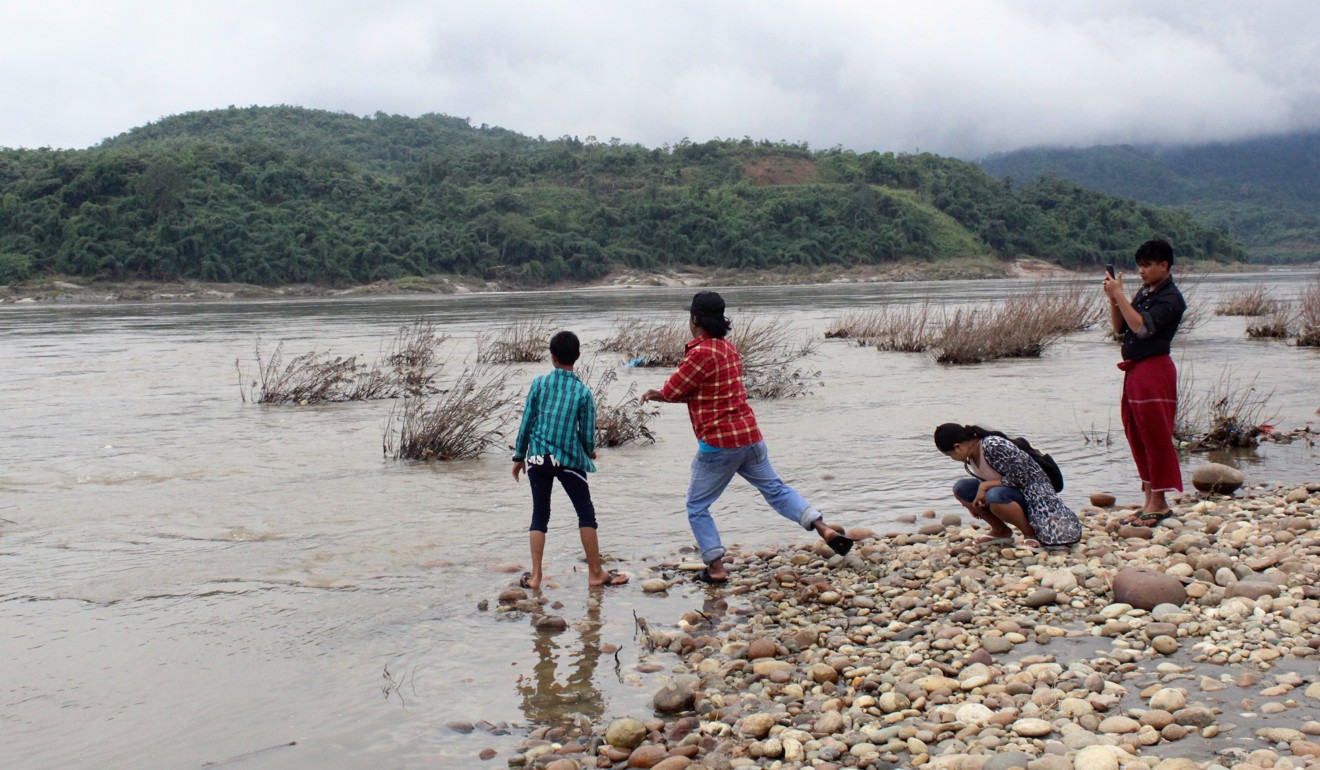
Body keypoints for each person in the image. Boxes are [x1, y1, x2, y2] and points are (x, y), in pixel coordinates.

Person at [640, 291, 853, 584]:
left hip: (719, 445)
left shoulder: (699, 353)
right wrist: (665, 395)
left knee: (696, 506)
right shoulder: (728, 348)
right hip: (750, 437)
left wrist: (659, 395)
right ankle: (823, 527)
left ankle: (715, 568)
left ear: (694, 320)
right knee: (775, 489)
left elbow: (677, 389)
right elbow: (705, 391)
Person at [512, 331, 627, 589]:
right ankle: (595, 572)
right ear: (577, 357)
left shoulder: (539, 384)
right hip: (568, 460)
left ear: (552, 357)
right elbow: (587, 433)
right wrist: (590, 450)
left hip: (538, 458)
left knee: (540, 515)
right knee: (585, 512)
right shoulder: (582, 392)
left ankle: (536, 576)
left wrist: (520, 456)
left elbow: (526, 423)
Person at [1103, 238, 1187, 526]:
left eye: (1148, 265)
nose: (1142, 271)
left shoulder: (1171, 298)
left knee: (1155, 435)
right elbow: (1120, 328)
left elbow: (1142, 328)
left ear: (1164, 265)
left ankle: (1160, 502)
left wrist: (1121, 296)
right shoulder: (1146, 292)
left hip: (1155, 370)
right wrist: (1114, 299)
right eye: (1140, 266)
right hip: (1136, 370)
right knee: (1136, 433)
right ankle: (1150, 499)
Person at [934, 423, 1082, 549]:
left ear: (958, 447)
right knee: (961, 488)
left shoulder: (993, 446)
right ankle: (1000, 531)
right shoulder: (971, 455)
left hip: (1033, 495)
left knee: (995, 495)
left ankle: (1030, 534)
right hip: (1011, 491)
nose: (953, 459)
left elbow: (1026, 478)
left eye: (950, 455)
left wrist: (984, 487)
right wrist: (978, 499)